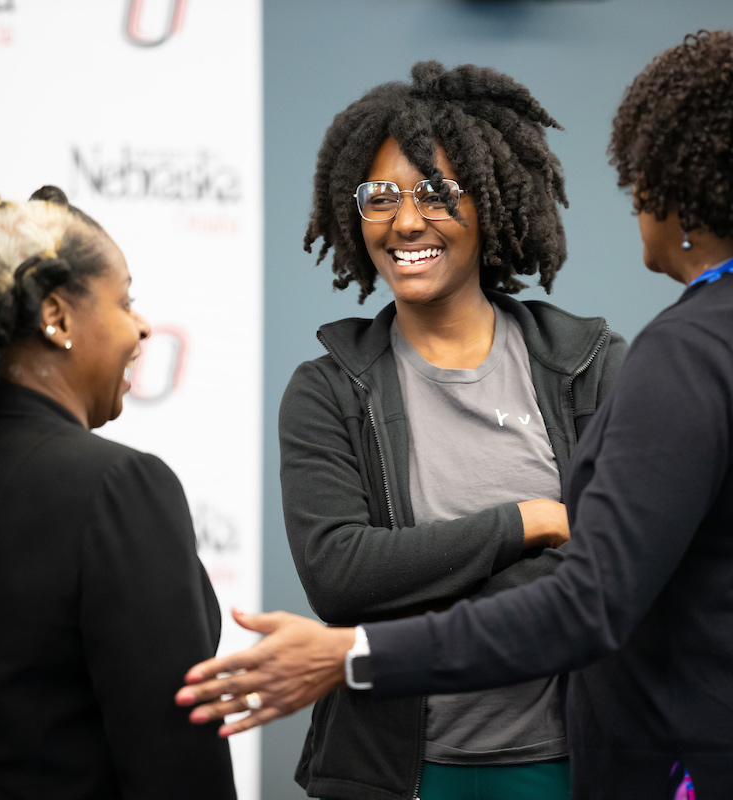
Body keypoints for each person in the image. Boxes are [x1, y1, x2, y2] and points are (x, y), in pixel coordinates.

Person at [178, 32, 733, 800]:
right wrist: (535, 527)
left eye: (640, 174)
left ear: (683, 191)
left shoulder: (689, 352)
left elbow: (594, 603)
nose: (634, 195)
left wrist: (355, 652)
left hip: (729, 771)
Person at [272, 61, 626, 800]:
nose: (405, 222)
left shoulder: (588, 367)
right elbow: (340, 575)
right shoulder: (329, 388)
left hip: (570, 764)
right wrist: (526, 523)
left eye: (436, 193)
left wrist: (411, 577)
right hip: (394, 775)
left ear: (494, 204)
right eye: (380, 197)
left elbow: (611, 571)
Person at [0, 187, 237, 799]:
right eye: (125, 299)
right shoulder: (119, 485)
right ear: (56, 316)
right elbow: (176, 755)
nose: (141, 326)